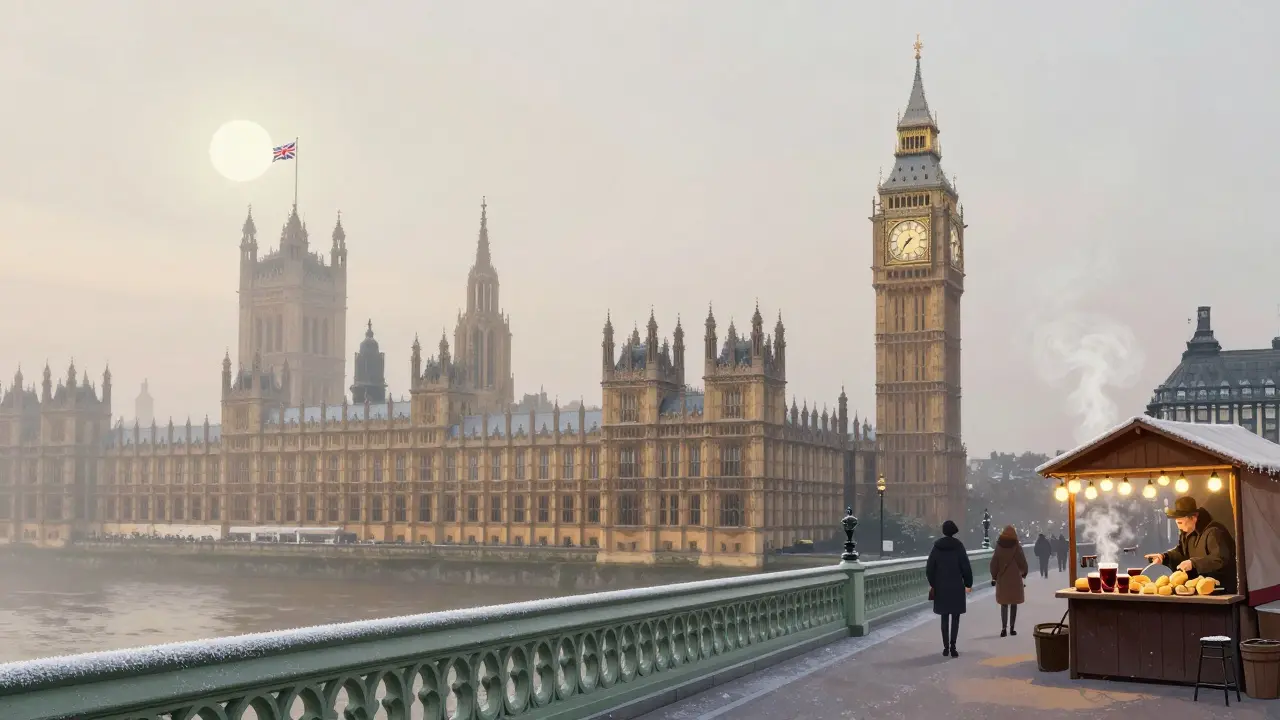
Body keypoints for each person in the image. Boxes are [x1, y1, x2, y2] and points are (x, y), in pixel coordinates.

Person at [1145, 496, 1237, 593]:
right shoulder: (1186, 533)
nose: (1179, 527)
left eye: (1180, 523)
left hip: (1221, 590)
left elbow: (1220, 559)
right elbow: (1181, 552)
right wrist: (1164, 557)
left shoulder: (1215, 532)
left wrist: (1193, 563)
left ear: (1193, 518)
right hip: (1198, 590)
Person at [926, 519, 973, 658]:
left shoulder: (936, 547)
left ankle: (945, 646)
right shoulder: (959, 547)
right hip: (956, 586)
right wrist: (968, 583)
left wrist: (934, 583)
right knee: (956, 617)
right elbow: (965, 567)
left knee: (944, 617)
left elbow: (929, 568)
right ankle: (953, 646)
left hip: (941, 586)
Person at [991, 526, 1029, 636]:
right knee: (1013, 603)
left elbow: (994, 563)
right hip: (1015, 579)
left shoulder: (998, 547)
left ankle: (1003, 628)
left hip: (1003, 579)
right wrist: (1024, 573)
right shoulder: (1017, 547)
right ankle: (1012, 628)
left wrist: (994, 576)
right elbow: (1023, 562)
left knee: (1004, 604)